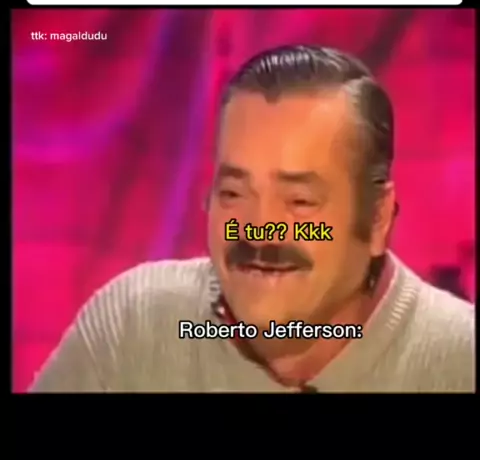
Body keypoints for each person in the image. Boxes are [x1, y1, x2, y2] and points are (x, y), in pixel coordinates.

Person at [29, 46, 475, 393]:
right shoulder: (133, 328)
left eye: (299, 201)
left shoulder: (461, 363)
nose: (259, 229)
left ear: (377, 218)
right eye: (233, 193)